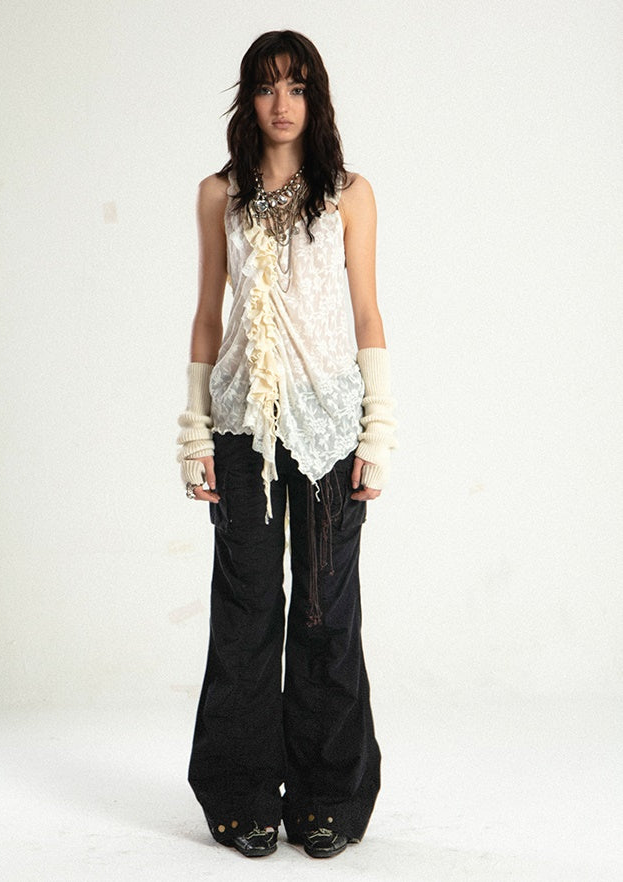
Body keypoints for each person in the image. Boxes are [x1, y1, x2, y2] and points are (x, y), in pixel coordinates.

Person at [176, 30, 396, 860]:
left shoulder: (349, 195)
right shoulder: (219, 195)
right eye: (267, 87)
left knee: (325, 612)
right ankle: (240, 796)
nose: (281, 103)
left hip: (331, 426)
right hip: (242, 427)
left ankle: (327, 797)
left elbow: (367, 312)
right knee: (246, 613)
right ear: (249, 98)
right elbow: (208, 314)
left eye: (297, 87)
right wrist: (193, 432)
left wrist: (379, 430)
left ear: (315, 98)